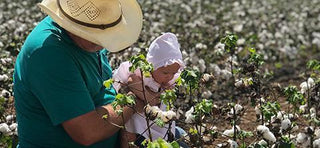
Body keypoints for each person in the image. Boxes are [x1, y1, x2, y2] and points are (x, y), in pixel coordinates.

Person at [13, 0, 157, 147]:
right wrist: (135, 100)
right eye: (96, 35)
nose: (103, 42)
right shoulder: (49, 53)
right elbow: (88, 131)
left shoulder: (88, 36)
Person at [112, 33, 186, 147]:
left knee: (166, 132)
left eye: (173, 73)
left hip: (154, 119)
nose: (169, 77)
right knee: (128, 132)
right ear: (153, 66)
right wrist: (148, 96)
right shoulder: (144, 74)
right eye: (165, 73)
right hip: (138, 115)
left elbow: (165, 94)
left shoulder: (166, 81)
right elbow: (132, 81)